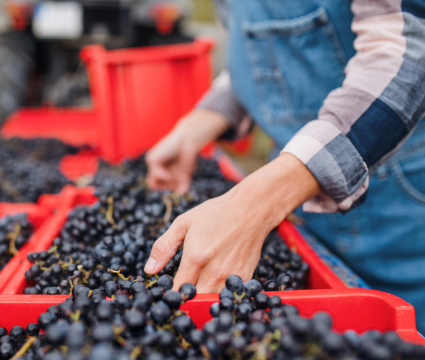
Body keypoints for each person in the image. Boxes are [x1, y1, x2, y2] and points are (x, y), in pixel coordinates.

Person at [143, 0, 425, 331]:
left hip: (394, 204)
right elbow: (255, 60)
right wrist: (202, 123)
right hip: (291, 205)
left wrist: (254, 203)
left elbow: (408, 52)